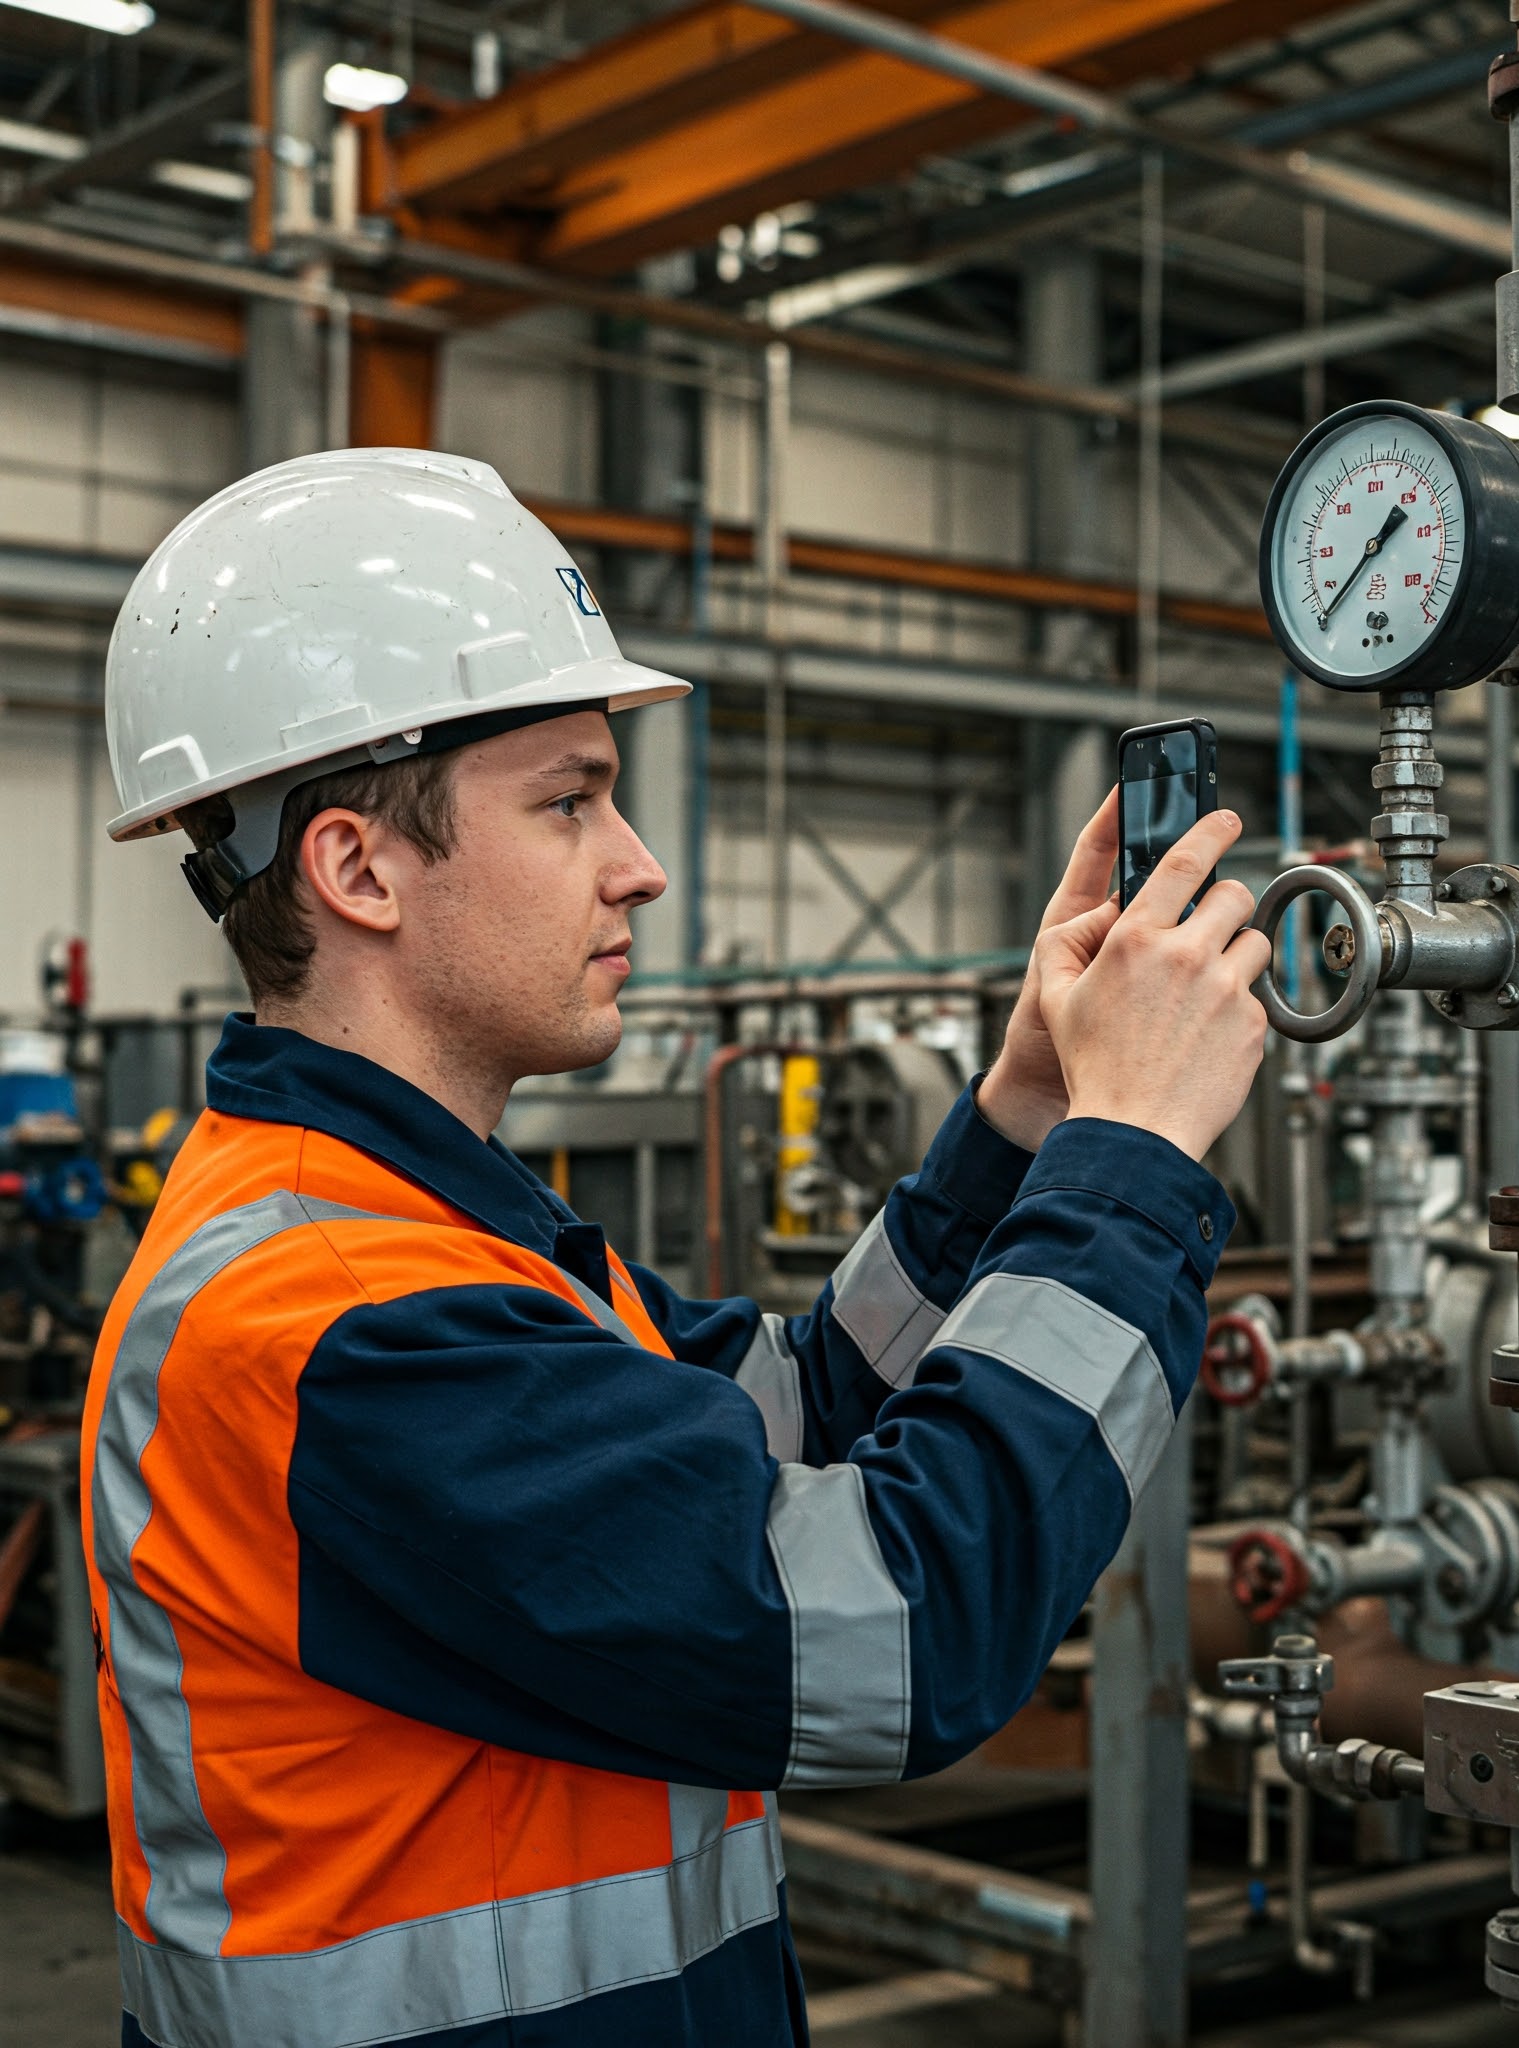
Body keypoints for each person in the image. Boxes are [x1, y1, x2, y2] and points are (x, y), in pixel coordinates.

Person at [82, 448, 1271, 2048]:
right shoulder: (338, 1321)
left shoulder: (428, 1236)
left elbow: (799, 1415)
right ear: (357, 867)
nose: (637, 863)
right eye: (568, 801)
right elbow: (904, 1628)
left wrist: (1026, 1117)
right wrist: (1129, 1163)